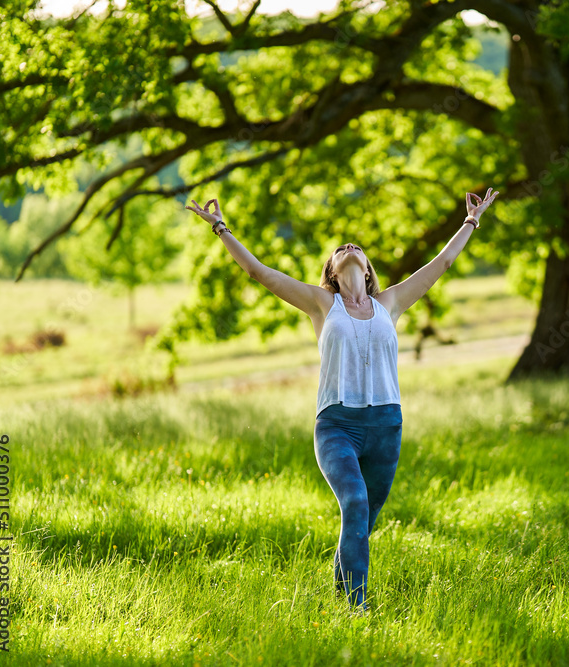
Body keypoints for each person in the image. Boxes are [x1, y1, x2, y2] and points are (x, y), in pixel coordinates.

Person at [185, 188, 499, 613]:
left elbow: (441, 264)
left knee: (363, 522)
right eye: (340, 249)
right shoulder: (321, 305)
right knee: (354, 502)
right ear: (332, 271)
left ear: (368, 269)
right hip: (337, 427)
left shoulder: (391, 302)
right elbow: (261, 273)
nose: (349, 248)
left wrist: (471, 222)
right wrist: (220, 228)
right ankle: (358, 608)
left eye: (357, 248)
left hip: (387, 428)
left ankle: (337, 597)